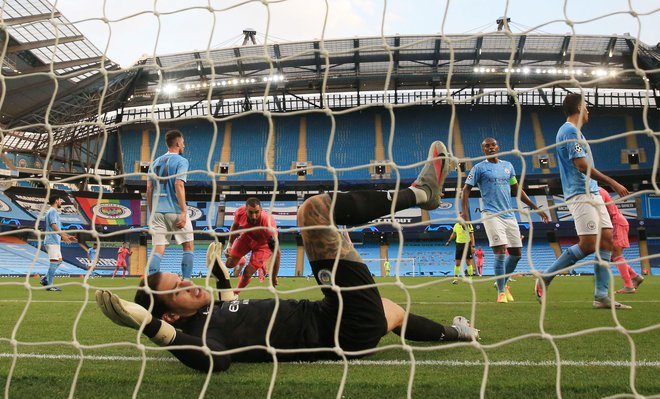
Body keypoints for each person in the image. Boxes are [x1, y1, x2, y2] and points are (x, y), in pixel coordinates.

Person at [95, 141, 479, 372]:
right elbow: (215, 361)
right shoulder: (199, 335)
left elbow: (230, 307)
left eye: (182, 279)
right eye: (179, 289)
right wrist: (147, 326)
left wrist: (221, 278)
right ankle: (419, 194)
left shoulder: (208, 315)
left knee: (390, 310)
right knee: (313, 211)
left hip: (334, 318)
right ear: (172, 316)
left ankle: (458, 333)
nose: (189, 283)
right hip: (340, 331)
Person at [535, 93, 631, 309]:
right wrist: (612, 183)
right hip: (580, 194)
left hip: (593, 193)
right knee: (588, 244)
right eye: (586, 107)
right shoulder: (569, 131)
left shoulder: (575, 132)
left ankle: (601, 296)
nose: (589, 111)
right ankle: (546, 276)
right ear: (579, 108)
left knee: (607, 241)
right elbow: (581, 166)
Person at [461, 137, 549, 303]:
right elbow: (465, 190)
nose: (491, 148)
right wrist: (465, 214)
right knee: (500, 250)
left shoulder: (508, 166)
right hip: (491, 214)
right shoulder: (479, 168)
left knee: (516, 254)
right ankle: (501, 292)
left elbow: (517, 190)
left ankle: (501, 282)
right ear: (483, 150)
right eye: (487, 146)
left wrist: (536, 208)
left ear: (498, 147)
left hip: (509, 215)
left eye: (493, 145)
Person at [146, 129, 194, 279]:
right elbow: (178, 184)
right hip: (175, 210)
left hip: (157, 212)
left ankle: (152, 286)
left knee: (158, 249)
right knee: (188, 246)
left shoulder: (154, 162)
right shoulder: (181, 161)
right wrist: (184, 212)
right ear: (178, 143)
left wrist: (152, 212)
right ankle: (186, 281)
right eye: (183, 143)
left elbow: (148, 189)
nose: (184, 146)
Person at [225, 197, 281, 292]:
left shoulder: (269, 226)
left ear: (261, 210)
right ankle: (241, 260)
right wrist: (229, 245)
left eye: (257, 212)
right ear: (245, 210)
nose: (254, 216)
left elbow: (277, 254)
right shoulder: (240, 212)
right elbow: (235, 226)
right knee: (229, 264)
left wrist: (274, 276)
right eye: (251, 212)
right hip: (247, 237)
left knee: (247, 273)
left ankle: (235, 293)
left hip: (264, 245)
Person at [598, 187, 643, 293]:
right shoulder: (599, 190)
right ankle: (635, 277)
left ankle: (629, 286)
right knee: (614, 256)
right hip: (616, 223)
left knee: (617, 255)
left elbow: (604, 212)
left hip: (616, 223)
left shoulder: (598, 191)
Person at [40, 195, 77, 291]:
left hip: (54, 241)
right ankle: (49, 285)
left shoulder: (52, 211)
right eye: (60, 200)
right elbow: (53, 225)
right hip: (51, 241)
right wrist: (63, 236)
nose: (61, 202)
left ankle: (45, 279)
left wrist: (68, 236)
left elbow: (58, 228)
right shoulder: (52, 211)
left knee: (59, 261)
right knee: (54, 262)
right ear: (56, 201)